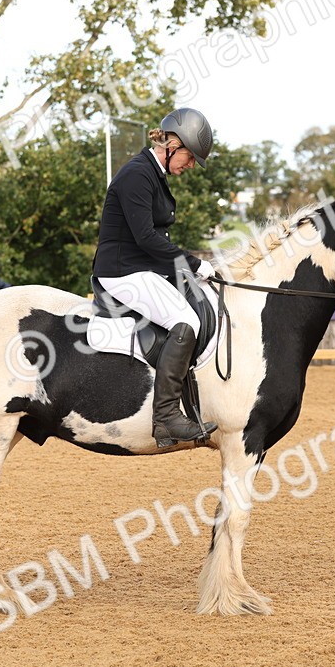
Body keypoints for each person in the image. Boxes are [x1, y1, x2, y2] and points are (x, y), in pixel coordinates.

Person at [93, 107, 219, 448]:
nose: (190, 167)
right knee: (186, 321)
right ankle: (165, 418)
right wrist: (193, 265)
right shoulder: (137, 174)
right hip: (122, 271)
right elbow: (146, 237)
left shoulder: (153, 175)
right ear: (173, 145)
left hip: (142, 268)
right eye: (190, 158)